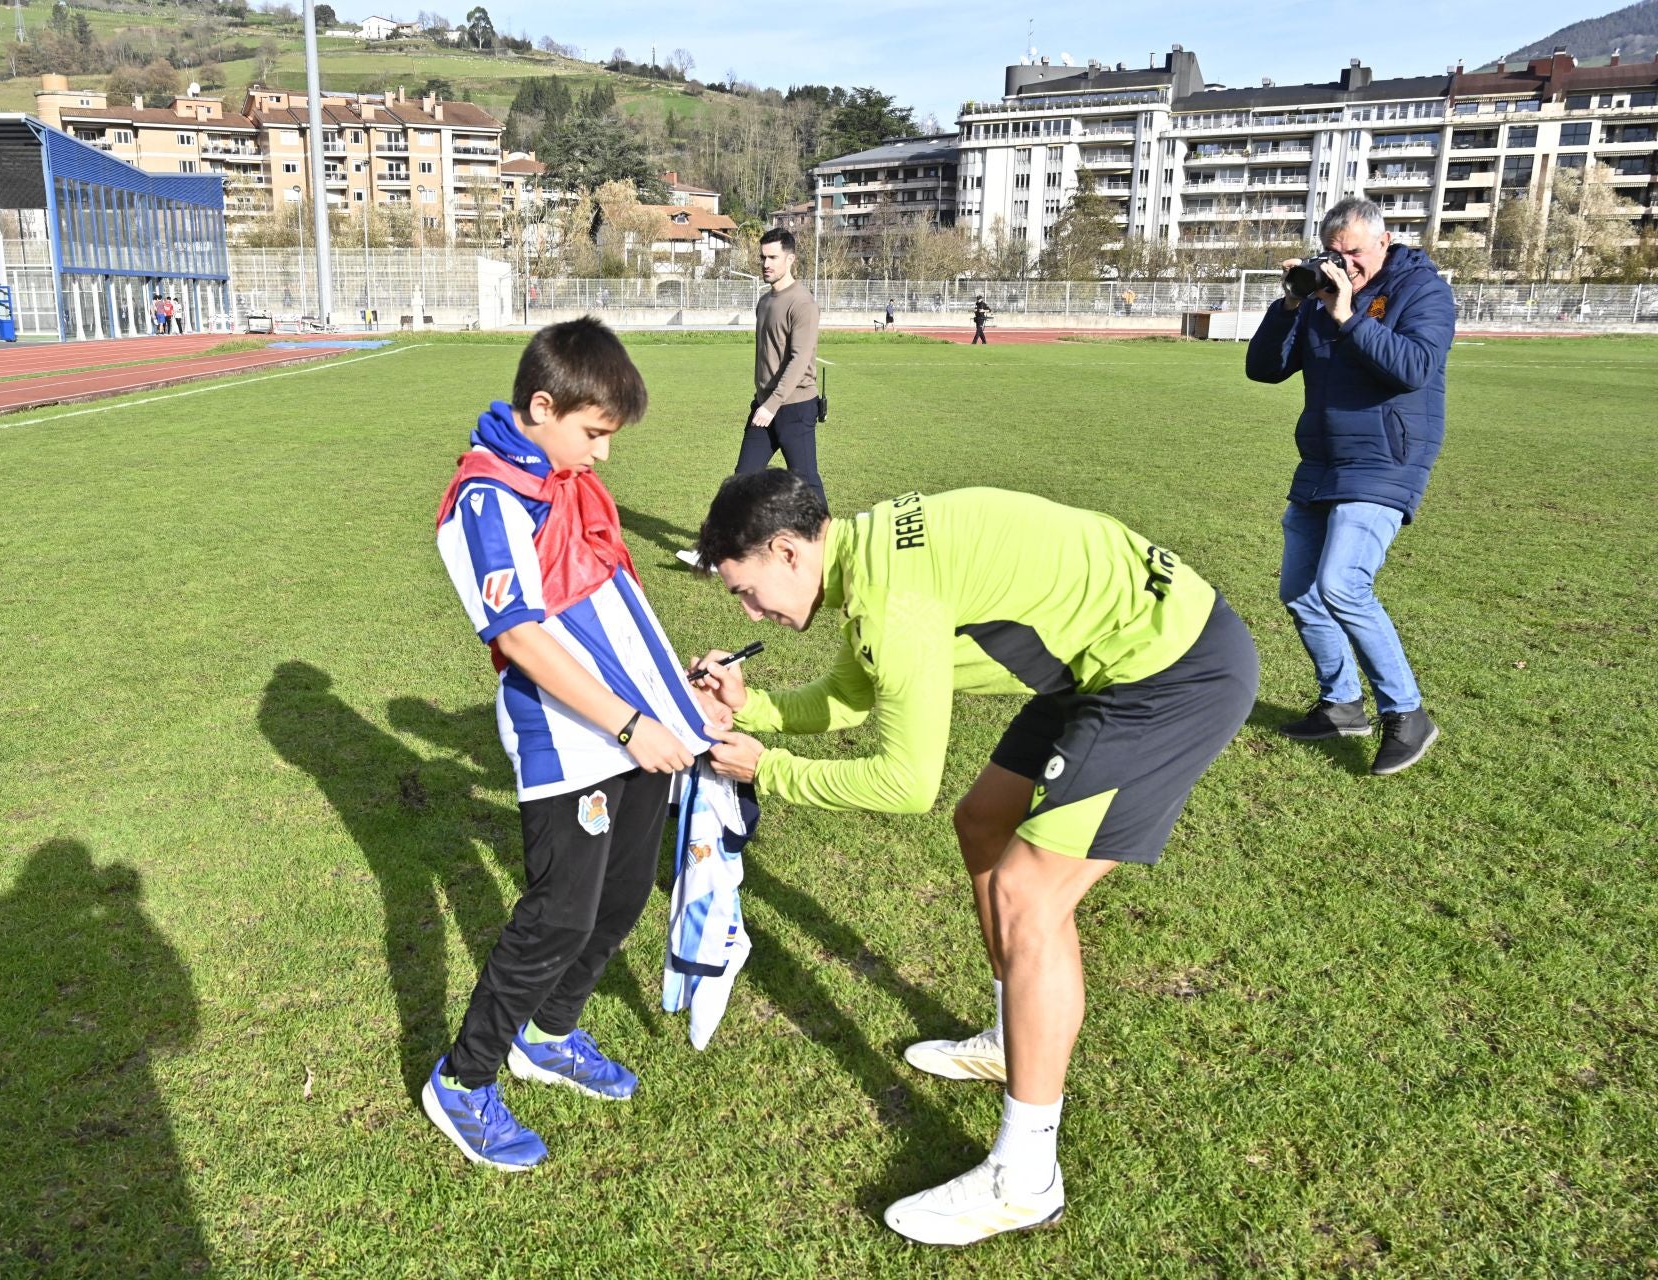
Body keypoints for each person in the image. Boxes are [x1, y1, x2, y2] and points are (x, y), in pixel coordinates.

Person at [688, 471, 1258, 1246]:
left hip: (1169, 671)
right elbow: (855, 695)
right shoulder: (870, 554)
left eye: (748, 593)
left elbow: (904, 781)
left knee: (1029, 895)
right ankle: (1006, 1037)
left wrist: (770, 769)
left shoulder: (893, 596)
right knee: (983, 821)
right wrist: (749, 705)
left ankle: (1026, 1176)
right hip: (1099, 665)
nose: (753, 613)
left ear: (788, 551)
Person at [426, 317, 726, 1171]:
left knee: (623, 895)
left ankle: (549, 1034)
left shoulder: (565, 485)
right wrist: (629, 723)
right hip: (570, 738)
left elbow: (614, 610)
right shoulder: (487, 496)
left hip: (638, 731)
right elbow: (520, 636)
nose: (602, 456)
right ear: (545, 406)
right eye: (594, 434)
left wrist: (672, 699)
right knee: (557, 915)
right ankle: (464, 1079)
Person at [1245, 195, 1454, 775]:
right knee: (1300, 590)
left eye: (1355, 253)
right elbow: (1263, 368)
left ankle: (1407, 715)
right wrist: (1290, 305)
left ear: (1383, 243)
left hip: (1388, 457)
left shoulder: (1422, 292)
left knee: (1342, 584)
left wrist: (1349, 315)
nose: (1345, 265)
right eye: (1333, 253)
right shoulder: (1317, 297)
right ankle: (1341, 704)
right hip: (1322, 461)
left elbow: (1414, 367)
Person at [677, 228, 822, 568]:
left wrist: (772, 405)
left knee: (806, 481)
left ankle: (828, 552)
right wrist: (763, 402)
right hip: (765, 408)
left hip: (795, 407)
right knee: (740, 483)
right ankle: (714, 554)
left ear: (791, 259)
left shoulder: (802, 303)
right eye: (763, 257)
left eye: (772, 257)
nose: (765, 263)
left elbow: (799, 360)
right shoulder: (765, 301)